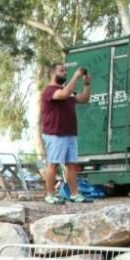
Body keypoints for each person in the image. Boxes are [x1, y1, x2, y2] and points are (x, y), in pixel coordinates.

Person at [41, 63, 92, 205]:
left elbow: (84, 99)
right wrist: (76, 76)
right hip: (55, 134)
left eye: (65, 71)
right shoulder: (49, 91)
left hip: (70, 134)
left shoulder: (67, 91)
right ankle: (50, 196)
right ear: (52, 74)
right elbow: (62, 95)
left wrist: (87, 84)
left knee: (72, 165)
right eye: (61, 71)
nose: (65, 73)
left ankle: (75, 195)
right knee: (53, 164)